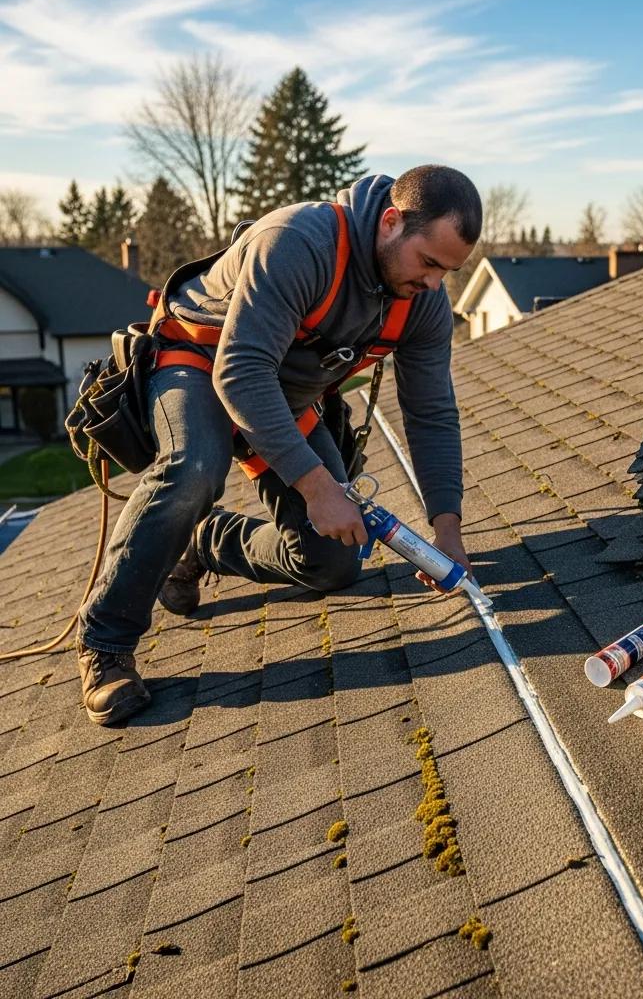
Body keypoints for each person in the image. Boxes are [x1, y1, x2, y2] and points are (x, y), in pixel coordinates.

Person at [76, 165, 481, 727]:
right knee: (195, 467)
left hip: (282, 397)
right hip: (201, 363)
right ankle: (105, 644)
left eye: (448, 271)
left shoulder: (423, 304)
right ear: (391, 223)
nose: (435, 283)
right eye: (429, 263)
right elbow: (239, 371)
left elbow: (432, 414)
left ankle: (203, 541)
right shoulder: (298, 243)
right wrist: (316, 486)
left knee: (332, 562)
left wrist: (447, 533)